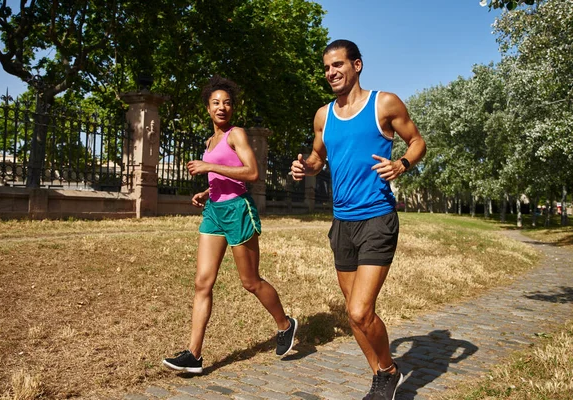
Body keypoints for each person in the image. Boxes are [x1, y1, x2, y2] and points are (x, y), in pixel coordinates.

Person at [290, 40, 426, 400]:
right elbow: (319, 159)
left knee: (360, 309)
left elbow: (417, 141)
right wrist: (305, 167)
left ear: (357, 65)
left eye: (338, 65)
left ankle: (390, 370)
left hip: (377, 218)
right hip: (342, 222)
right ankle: (382, 374)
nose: (331, 72)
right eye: (326, 68)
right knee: (355, 317)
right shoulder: (324, 115)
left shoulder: (384, 103)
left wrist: (402, 164)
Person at [163, 75, 297, 374]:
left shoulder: (236, 135)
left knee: (250, 282)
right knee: (202, 282)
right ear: (207, 108)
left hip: (238, 210)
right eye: (215, 103)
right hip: (214, 212)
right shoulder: (210, 141)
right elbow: (223, 177)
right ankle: (194, 355)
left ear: (232, 108)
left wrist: (209, 166)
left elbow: (251, 173)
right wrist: (207, 191)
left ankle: (285, 324)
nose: (221, 107)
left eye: (226, 103)